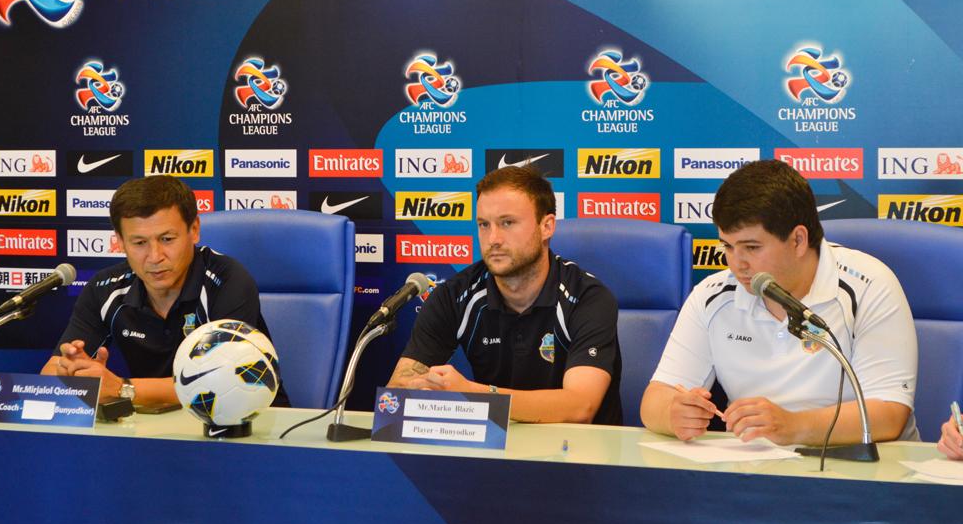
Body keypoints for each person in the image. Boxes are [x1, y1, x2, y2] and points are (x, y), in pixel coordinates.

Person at [641, 159, 917, 445]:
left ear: (798, 240)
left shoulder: (869, 285)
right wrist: (673, 413)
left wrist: (792, 427)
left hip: (862, 464)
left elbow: (889, 415)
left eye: (752, 247)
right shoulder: (713, 295)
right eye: (728, 246)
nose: (737, 264)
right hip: (754, 465)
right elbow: (655, 399)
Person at [387, 165, 622, 425]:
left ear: (547, 226)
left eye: (507, 223)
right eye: (484, 225)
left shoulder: (587, 298)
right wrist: (418, 390)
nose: (493, 239)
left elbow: (580, 407)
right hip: (494, 445)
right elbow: (395, 398)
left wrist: (472, 394)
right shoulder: (454, 296)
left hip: (580, 448)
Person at [41, 175, 290, 407]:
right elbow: (51, 372)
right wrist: (72, 372)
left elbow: (223, 383)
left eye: (167, 239)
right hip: (151, 427)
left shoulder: (227, 280)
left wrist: (122, 389)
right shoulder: (106, 288)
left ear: (194, 230)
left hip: (251, 425)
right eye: (140, 243)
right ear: (120, 241)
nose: (155, 257)